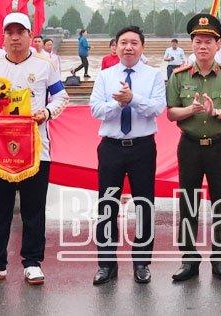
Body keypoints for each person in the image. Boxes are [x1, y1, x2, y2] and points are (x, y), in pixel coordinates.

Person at [0, 13, 69, 287]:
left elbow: (61, 95)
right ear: (3, 36)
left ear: (29, 35)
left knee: (33, 209)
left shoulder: (44, 65)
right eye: (10, 32)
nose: (15, 37)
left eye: (20, 32)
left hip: (36, 150)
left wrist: (46, 112)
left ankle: (33, 262)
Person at [166, 14, 221, 283]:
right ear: (191, 45)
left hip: (220, 146)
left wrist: (217, 111)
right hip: (189, 146)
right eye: (198, 41)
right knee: (188, 202)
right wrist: (191, 109)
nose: (203, 46)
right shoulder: (178, 76)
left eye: (208, 41)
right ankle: (188, 259)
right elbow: (171, 113)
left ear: (218, 45)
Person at [89, 26, 166, 286]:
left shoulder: (154, 75)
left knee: (144, 204)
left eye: (134, 42)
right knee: (107, 205)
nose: (128, 47)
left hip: (142, 147)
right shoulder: (105, 76)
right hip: (111, 147)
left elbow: (157, 107)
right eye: (123, 42)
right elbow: (96, 109)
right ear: (116, 46)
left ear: (142, 47)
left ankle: (142, 263)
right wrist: (117, 104)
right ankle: (106, 265)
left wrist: (133, 99)